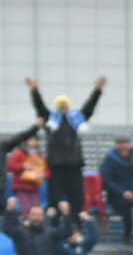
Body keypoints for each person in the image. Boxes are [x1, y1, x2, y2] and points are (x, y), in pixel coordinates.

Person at [27, 75, 105, 215]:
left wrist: (98, 90)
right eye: (60, 104)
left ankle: (76, 228)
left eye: (65, 104)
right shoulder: (50, 120)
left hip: (74, 165)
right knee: (55, 199)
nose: (63, 106)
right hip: (55, 165)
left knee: (77, 198)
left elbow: (90, 106)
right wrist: (34, 90)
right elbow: (39, 106)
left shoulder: (77, 119)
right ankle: (56, 227)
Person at [100, 135, 133, 244]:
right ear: (116, 145)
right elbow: (107, 180)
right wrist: (123, 192)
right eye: (120, 143)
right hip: (118, 195)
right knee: (127, 206)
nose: (123, 146)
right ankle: (129, 234)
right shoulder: (110, 159)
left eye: (126, 143)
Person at [7, 132, 46, 213]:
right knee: (26, 208)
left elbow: (45, 169)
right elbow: (11, 166)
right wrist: (23, 166)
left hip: (34, 186)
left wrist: (43, 174)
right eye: (31, 140)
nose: (33, 142)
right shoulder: (19, 152)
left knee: (36, 208)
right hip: (22, 186)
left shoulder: (39, 155)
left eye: (35, 140)